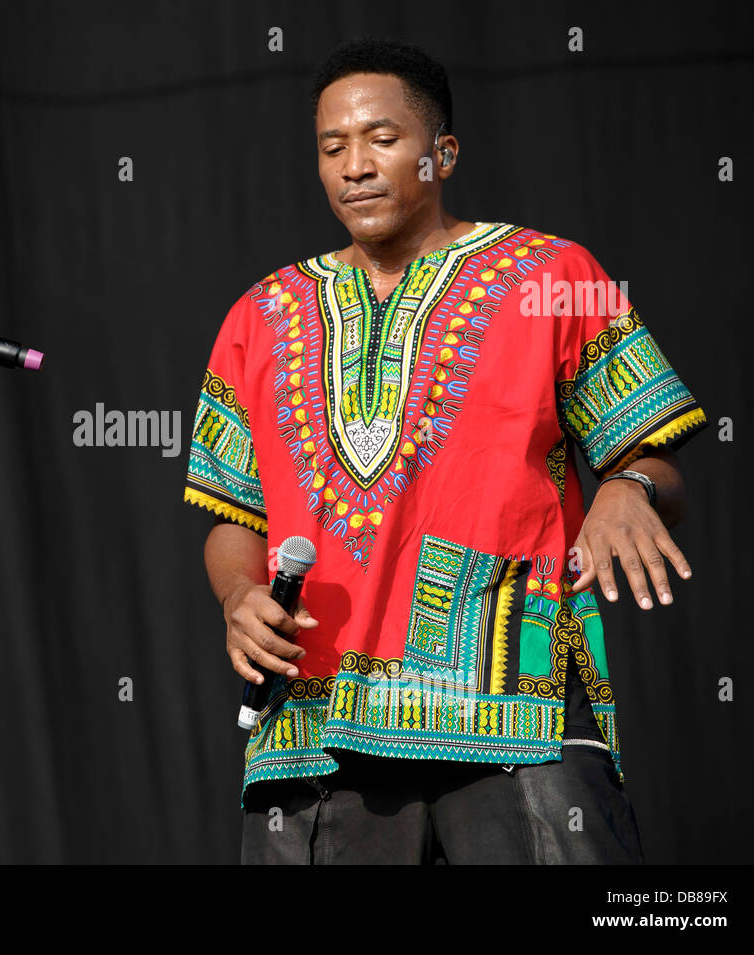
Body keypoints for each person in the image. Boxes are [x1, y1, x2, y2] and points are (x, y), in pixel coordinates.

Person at [185, 39, 707, 864]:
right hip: (316, 725)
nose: (355, 165)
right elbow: (232, 516)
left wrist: (628, 488)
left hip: (514, 710)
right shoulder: (260, 314)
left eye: (382, 139)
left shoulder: (552, 275)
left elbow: (659, 461)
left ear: (444, 153)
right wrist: (238, 597)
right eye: (332, 147)